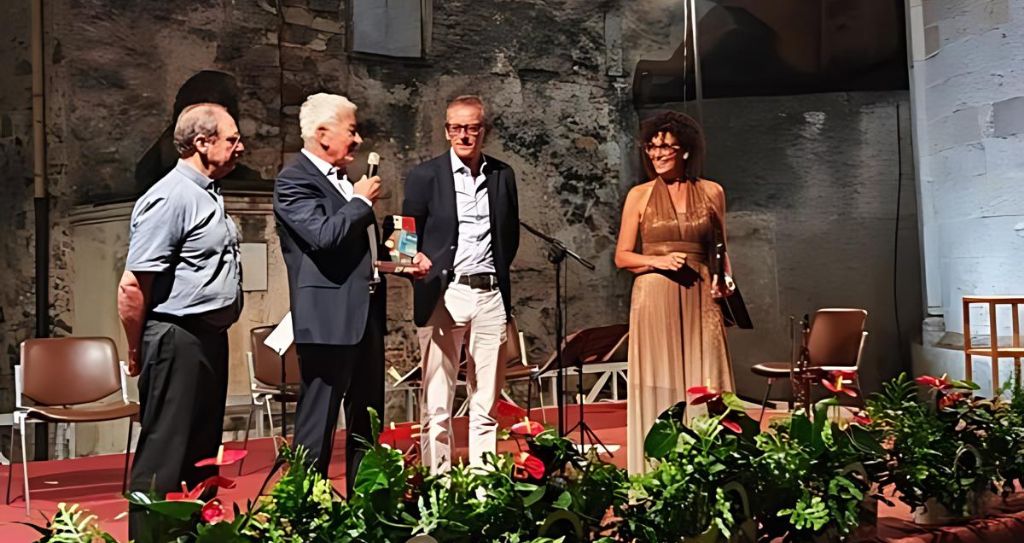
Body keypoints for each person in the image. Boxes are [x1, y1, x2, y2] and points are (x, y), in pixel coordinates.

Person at [274, 93, 427, 496]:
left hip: (366, 313)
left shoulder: (344, 180)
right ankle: (307, 505)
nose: (359, 140)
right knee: (318, 420)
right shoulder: (293, 180)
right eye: (352, 131)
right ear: (323, 133)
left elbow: (356, 249)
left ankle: (366, 505)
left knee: (367, 418)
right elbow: (323, 237)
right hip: (328, 318)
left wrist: (397, 262)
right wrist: (359, 200)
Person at [119, 103, 244, 536]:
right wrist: (136, 348)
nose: (240, 147)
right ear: (202, 143)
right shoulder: (170, 197)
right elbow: (133, 286)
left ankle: (193, 535)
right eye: (232, 139)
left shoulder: (208, 192)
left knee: (201, 453)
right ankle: (151, 537)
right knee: (165, 454)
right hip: (176, 336)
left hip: (209, 337)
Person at [403, 95, 520, 474]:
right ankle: (438, 485)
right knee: (438, 401)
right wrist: (413, 259)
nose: (464, 135)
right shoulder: (425, 176)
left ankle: (483, 486)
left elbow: (509, 235)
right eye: (456, 128)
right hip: (445, 294)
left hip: (489, 293)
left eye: (471, 128)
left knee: (486, 401)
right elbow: (405, 233)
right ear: (446, 131)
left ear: (484, 130)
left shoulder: (502, 174)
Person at [614, 111, 735, 475]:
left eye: (665, 147)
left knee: (707, 376)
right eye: (651, 147)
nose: (657, 154)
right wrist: (658, 261)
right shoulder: (639, 195)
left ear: (685, 150)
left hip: (700, 294)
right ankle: (656, 470)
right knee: (660, 378)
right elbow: (622, 256)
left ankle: (710, 468)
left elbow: (720, 249)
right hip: (654, 295)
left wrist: (725, 279)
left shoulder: (712, 191)